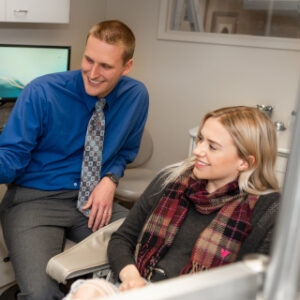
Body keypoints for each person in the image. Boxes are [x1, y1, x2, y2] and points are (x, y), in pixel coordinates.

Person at [65, 105, 280, 299]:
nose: (198, 151)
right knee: (88, 291)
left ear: (245, 162)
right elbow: (122, 239)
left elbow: (249, 286)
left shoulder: (266, 210)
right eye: (200, 139)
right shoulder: (170, 181)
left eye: (212, 147)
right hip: (140, 288)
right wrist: (132, 279)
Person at [0, 20, 149, 300]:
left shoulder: (135, 96)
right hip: (35, 200)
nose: (92, 73)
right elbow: (12, 158)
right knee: (41, 293)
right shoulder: (41, 92)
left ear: (127, 66)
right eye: (88, 60)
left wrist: (110, 178)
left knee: (151, 252)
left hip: (93, 200)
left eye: (105, 66)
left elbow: (126, 150)